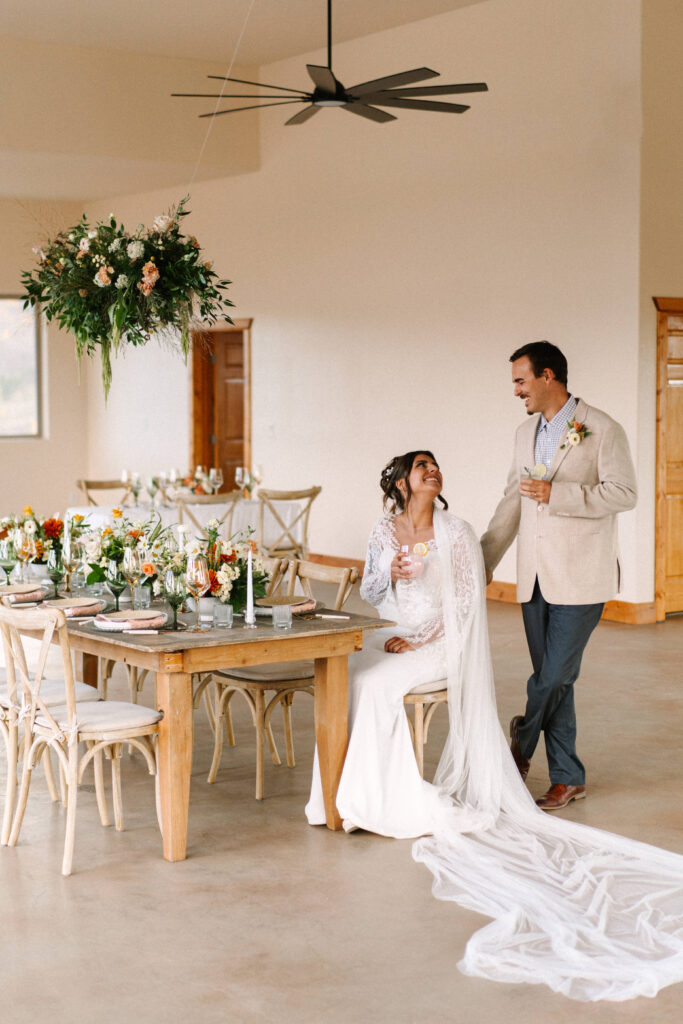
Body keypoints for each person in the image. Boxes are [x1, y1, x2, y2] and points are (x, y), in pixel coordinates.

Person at [306, 449, 683, 1003]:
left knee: (378, 684)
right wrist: (389, 572)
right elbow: (371, 593)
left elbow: (464, 601)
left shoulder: (456, 532)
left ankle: (379, 801)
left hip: (440, 645)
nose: (432, 472)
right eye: (421, 467)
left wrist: (419, 638)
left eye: (436, 466)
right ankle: (334, 799)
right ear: (402, 483)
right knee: (343, 672)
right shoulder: (384, 529)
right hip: (390, 632)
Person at [481, 341, 637, 810]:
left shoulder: (603, 428)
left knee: (552, 677)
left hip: (581, 576)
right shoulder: (523, 433)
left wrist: (558, 494)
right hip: (532, 577)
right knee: (556, 680)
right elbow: (514, 499)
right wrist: (485, 562)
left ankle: (520, 744)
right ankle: (568, 778)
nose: (516, 391)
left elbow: (624, 493)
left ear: (548, 376)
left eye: (520, 380)